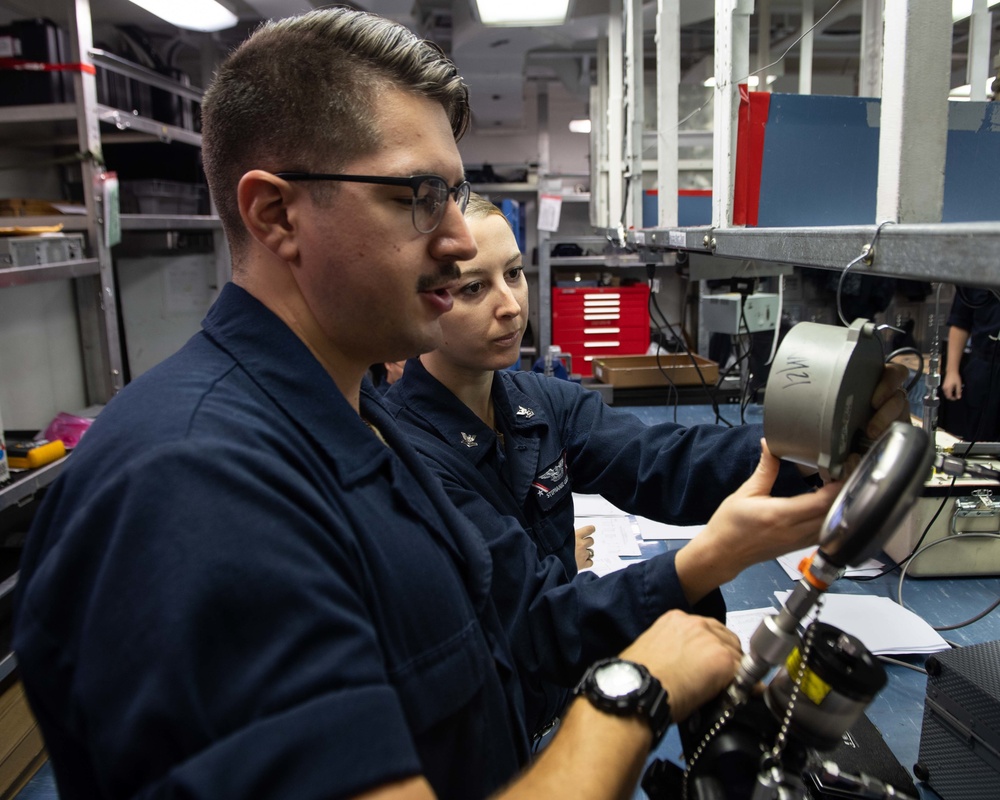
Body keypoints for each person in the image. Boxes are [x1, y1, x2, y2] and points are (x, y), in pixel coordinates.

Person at [13, 9, 749, 800]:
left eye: (456, 194)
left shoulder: (368, 419)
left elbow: (508, 635)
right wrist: (629, 695)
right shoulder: (196, 488)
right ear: (276, 215)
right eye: (420, 195)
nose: (462, 241)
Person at [384, 193, 913, 735]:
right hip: (480, 732)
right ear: (421, 299)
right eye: (475, 287)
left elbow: (663, 462)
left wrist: (811, 446)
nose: (512, 305)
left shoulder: (540, 403)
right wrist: (710, 560)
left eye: (515, 274)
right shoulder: (405, 455)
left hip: (552, 706)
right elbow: (538, 624)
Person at [941, 287, 1000, 441]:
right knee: (978, 436)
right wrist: (951, 371)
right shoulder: (977, 274)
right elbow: (960, 322)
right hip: (983, 368)